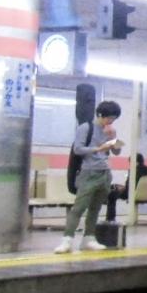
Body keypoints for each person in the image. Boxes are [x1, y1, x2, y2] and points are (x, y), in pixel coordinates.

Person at [54, 101, 123, 253]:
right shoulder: (86, 128)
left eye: (113, 118)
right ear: (100, 115)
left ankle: (89, 238)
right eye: (109, 118)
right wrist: (98, 148)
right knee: (78, 208)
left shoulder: (109, 131)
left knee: (95, 208)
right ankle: (67, 240)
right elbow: (78, 149)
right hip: (88, 172)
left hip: (105, 173)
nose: (110, 121)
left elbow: (117, 152)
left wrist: (114, 138)